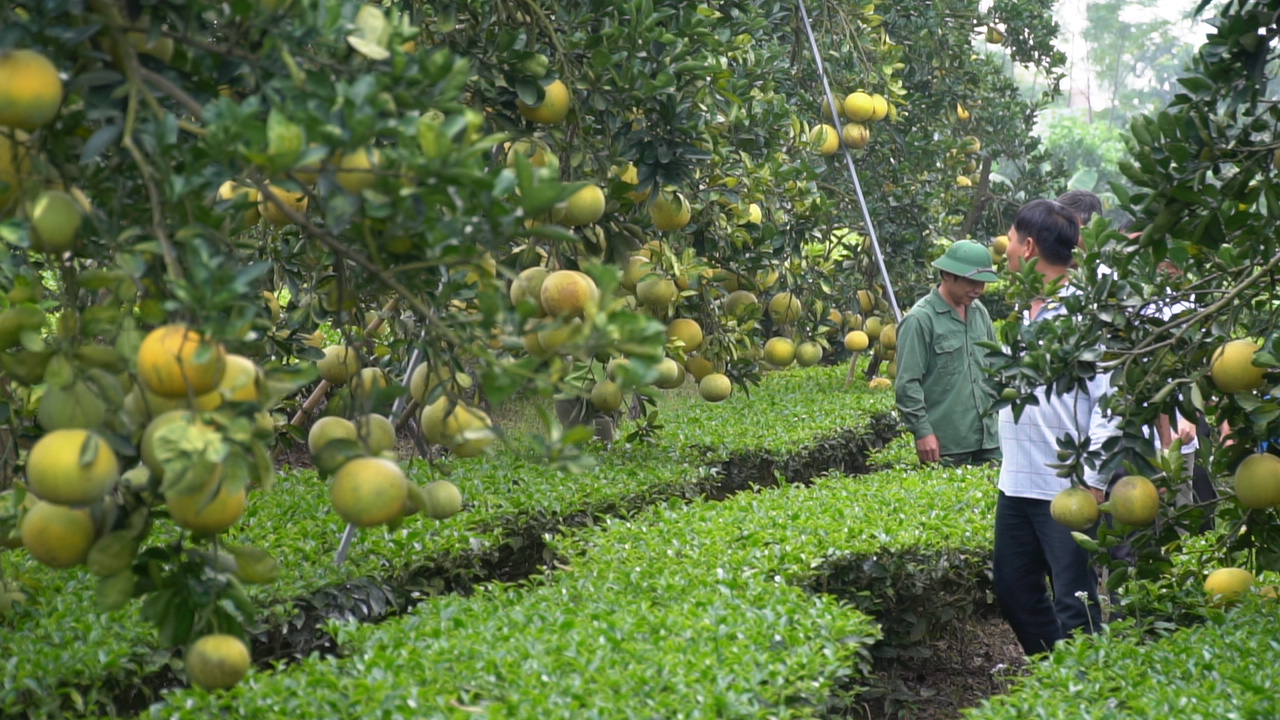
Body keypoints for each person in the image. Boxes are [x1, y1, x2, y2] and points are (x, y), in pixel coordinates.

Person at [993, 199, 1119, 656]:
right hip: (1016, 483)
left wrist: (1095, 480)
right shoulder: (1023, 313)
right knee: (1013, 591)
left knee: (1075, 600)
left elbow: (1112, 403)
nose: (1006, 247)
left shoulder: (1087, 316)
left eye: (1010, 239)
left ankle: (1086, 683)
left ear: (1028, 247)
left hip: (1067, 486)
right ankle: (1055, 673)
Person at [894, 240, 1001, 466]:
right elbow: (907, 384)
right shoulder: (919, 320)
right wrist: (923, 432)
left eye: (982, 283)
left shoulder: (979, 313)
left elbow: (995, 367)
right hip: (947, 446)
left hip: (989, 440)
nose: (978, 289)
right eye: (972, 281)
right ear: (947, 275)